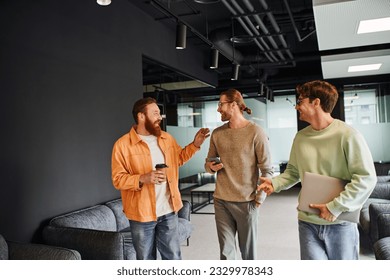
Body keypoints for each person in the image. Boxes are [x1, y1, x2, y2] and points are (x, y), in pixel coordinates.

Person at [258, 80, 377, 260]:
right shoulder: (301, 137)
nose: (297, 107)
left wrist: (334, 207)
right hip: (308, 222)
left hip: (340, 222)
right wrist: (275, 183)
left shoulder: (348, 135)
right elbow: (293, 172)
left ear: (316, 102)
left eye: (300, 102)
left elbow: (366, 178)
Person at [111, 97, 210, 260]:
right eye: (155, 113)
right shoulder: (122, 145)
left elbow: (178, 158)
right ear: (141, 116)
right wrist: (142, 178)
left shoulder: (166, 138)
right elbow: (118, 179)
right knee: (145, 259)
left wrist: (195, 144)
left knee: (173, 257)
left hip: (168, 209)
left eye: (159, 113)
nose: (160, 117)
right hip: (141, 215)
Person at [204, 88, 273, 260]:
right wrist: (211, 167)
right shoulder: (218, 133)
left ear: (234, 105)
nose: (218, 108)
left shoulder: (256, 132)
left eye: (221, 104)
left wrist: (259, 200)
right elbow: (208, 163)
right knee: (226, 254)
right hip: (221, 201)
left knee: (248, 253)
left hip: (246, 202)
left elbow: (267, 169)